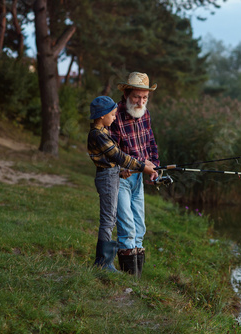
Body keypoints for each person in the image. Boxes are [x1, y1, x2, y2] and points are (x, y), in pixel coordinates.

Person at [87, 95, 158, 272]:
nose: (114, 117)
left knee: (110, 219)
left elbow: (115, 159)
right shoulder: (98, 135)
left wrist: (131, 168)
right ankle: (103, 262)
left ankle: (105, 262)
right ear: (102, 116)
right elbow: (119, 156)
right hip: (107, 178)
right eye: (112, 115)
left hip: (112, 175)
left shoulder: (102, 133)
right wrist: (142, 166)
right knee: (108, 220)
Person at [109, 72, 160, 278]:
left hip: (139, 178)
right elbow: (112, 151)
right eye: (137, 97)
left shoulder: (144, 114)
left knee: (140, 227)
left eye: (145, 98)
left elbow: (151, 143)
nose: (141, 102)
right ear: (127, 94)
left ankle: (135, 279)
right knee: (127, 227)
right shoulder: (115, 114)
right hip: (120, 178)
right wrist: (138, 164)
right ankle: (127, 279)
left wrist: (154, 167)